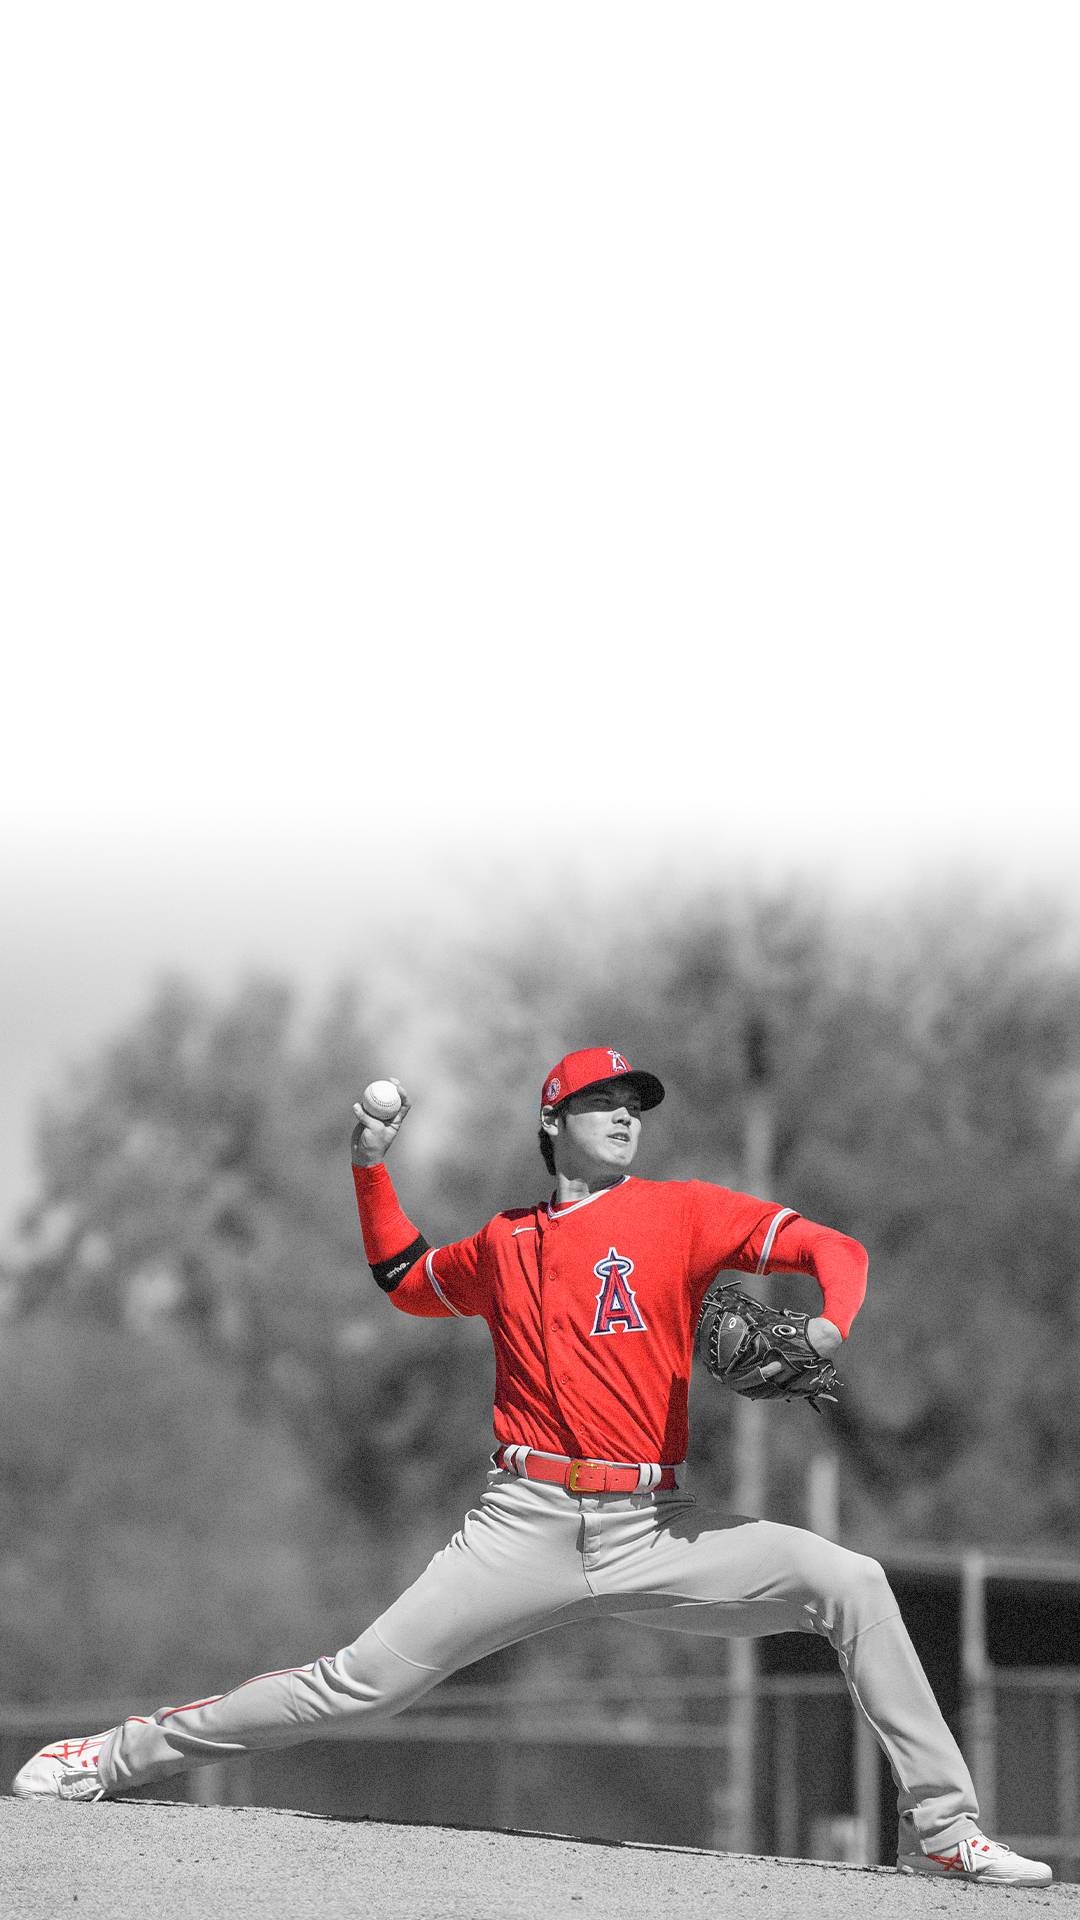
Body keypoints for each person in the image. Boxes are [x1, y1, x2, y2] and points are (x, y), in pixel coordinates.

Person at [12, 1047, 1050, 1887]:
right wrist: (369, 1167)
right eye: (600, 1101)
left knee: (851, 1582)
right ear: (552, 1123)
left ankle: (944, 1829)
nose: (623, 1114)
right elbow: (407, 1278)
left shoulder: (681, 1213)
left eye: (633, 1102)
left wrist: (826, 1331)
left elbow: (837, 1250)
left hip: (657, 1527)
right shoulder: (506, 1246)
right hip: (522, 1524)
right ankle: (113, 1757)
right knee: (354, 1687)